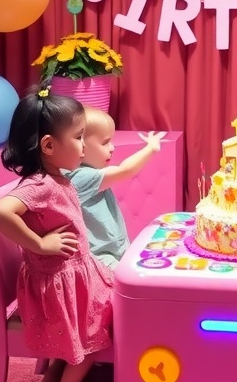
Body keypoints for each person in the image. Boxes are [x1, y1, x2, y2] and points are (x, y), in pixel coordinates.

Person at [0, 88, 114, 382]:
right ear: (48, 146)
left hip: (72, 277)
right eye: (78, 138)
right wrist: (39, 244)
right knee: (98, 326)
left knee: (111, 298)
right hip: (58, 287)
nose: (85, 146)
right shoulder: (40, 184)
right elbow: (1, 213)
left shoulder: (55, 177)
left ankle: (55, 377)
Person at [65, 107, 165, 268]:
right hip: (99, 256)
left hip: (114, 250)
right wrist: (151, 147)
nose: (112, 147)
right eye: (105, 142)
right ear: (80, 145)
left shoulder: (88, 173)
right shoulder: (79, 177)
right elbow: (125, 170)